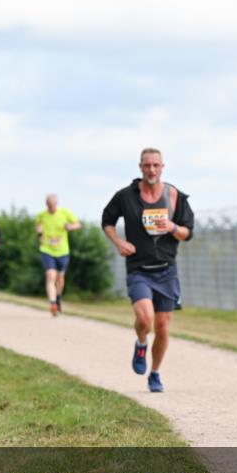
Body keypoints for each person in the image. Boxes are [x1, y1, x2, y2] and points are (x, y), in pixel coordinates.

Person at [102, 147, 194, 393]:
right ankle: (141, 342)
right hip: (138, 269)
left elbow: (187, 233)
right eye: (147, 165)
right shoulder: (126, 196)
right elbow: (107, 221)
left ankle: (155, 373)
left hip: (167, 270)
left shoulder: (175, 196)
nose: (151, 169)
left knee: (163, 327)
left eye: (156, 165)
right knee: (145, 318)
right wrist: (119, 243)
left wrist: (172, 226)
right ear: (140, 167)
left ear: (162, 167)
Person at [36, 194, 81, 316]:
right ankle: (52, 303)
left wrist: (70, 226)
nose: (50, 207)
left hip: (62, 251)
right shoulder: (41, 215)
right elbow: (38, 225)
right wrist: (39, 234)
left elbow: (78, 224)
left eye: (52, 205)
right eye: (48, 205)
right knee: (51, 276)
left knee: (60, 278)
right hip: (47, 250)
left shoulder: (65, 213)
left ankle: (58, 298)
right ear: (46, 204)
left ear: (56, 204)